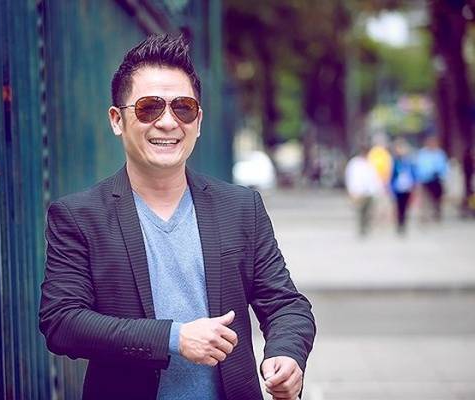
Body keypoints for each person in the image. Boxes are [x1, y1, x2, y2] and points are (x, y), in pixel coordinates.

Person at [38, 34, 315, 400]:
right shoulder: (78, 217)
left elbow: (286, 305)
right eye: (149, 108)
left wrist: (286, 355)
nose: (168, 122)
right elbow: (62, 322)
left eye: (183, 108)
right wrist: (173, 337)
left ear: (198, 121)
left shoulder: (241, 208)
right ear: (117, 120)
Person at [345, 144, 382, 236]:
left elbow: (375, 177)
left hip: (369, 191)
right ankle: (362, 228)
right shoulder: (355, 163)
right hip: (359, 191)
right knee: (361, 211)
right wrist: (352, 190)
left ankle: (366, 227)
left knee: (369, 211)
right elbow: (351, 177)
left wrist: (377, 189)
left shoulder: (370, 162)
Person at [415, 135, 448, 221]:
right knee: (426, 199)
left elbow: (444, 167)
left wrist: (441, 175)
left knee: (438, 198)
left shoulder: (440, 153)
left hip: (437, 179)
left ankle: (437, 214)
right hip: (426, 179)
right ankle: (425, 216)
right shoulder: (422, 153)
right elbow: (419, 166)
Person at [389, 138, 417, 234]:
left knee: (405, 207)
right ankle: (399, 224)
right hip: (398, 188)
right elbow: (391, 176)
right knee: (398, 207)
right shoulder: (394, 162)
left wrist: (414, 185)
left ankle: (404, 224)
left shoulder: (409, 161)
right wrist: (391, 188)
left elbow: (413, 174)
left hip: (407, 188)